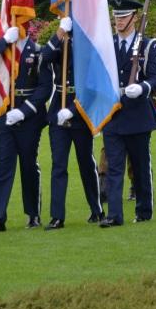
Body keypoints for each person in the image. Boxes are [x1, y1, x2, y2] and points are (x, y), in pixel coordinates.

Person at [0, 24, 49, 233]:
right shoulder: (1, 49)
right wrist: (3, 42)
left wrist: (25, 110)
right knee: (3, 166)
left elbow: (45, 87)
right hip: (3, 113)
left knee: (28, 165)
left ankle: (33, 214)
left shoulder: (37, 51)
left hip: (29, 117)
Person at [100, 0, 156, 227]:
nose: (118, 21)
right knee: (114, 166)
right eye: (116, 17)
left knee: (140, 166)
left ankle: (144, 211)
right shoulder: (108, 44)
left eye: (124, 17)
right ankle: (114, 215)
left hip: (137, 114)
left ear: (135, 18)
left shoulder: (147, 45)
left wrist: (143, 87)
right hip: (114, 113)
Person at [39, 16, 105, 230]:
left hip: (81, 112)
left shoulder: (90, 46)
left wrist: (74, 110)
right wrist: (59, 32)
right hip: (58, 108)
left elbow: (94, 86)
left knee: (86, 162)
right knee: (59, 165)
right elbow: (44, 57)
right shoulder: (62, 41)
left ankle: (96, 209)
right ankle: (57, 216)